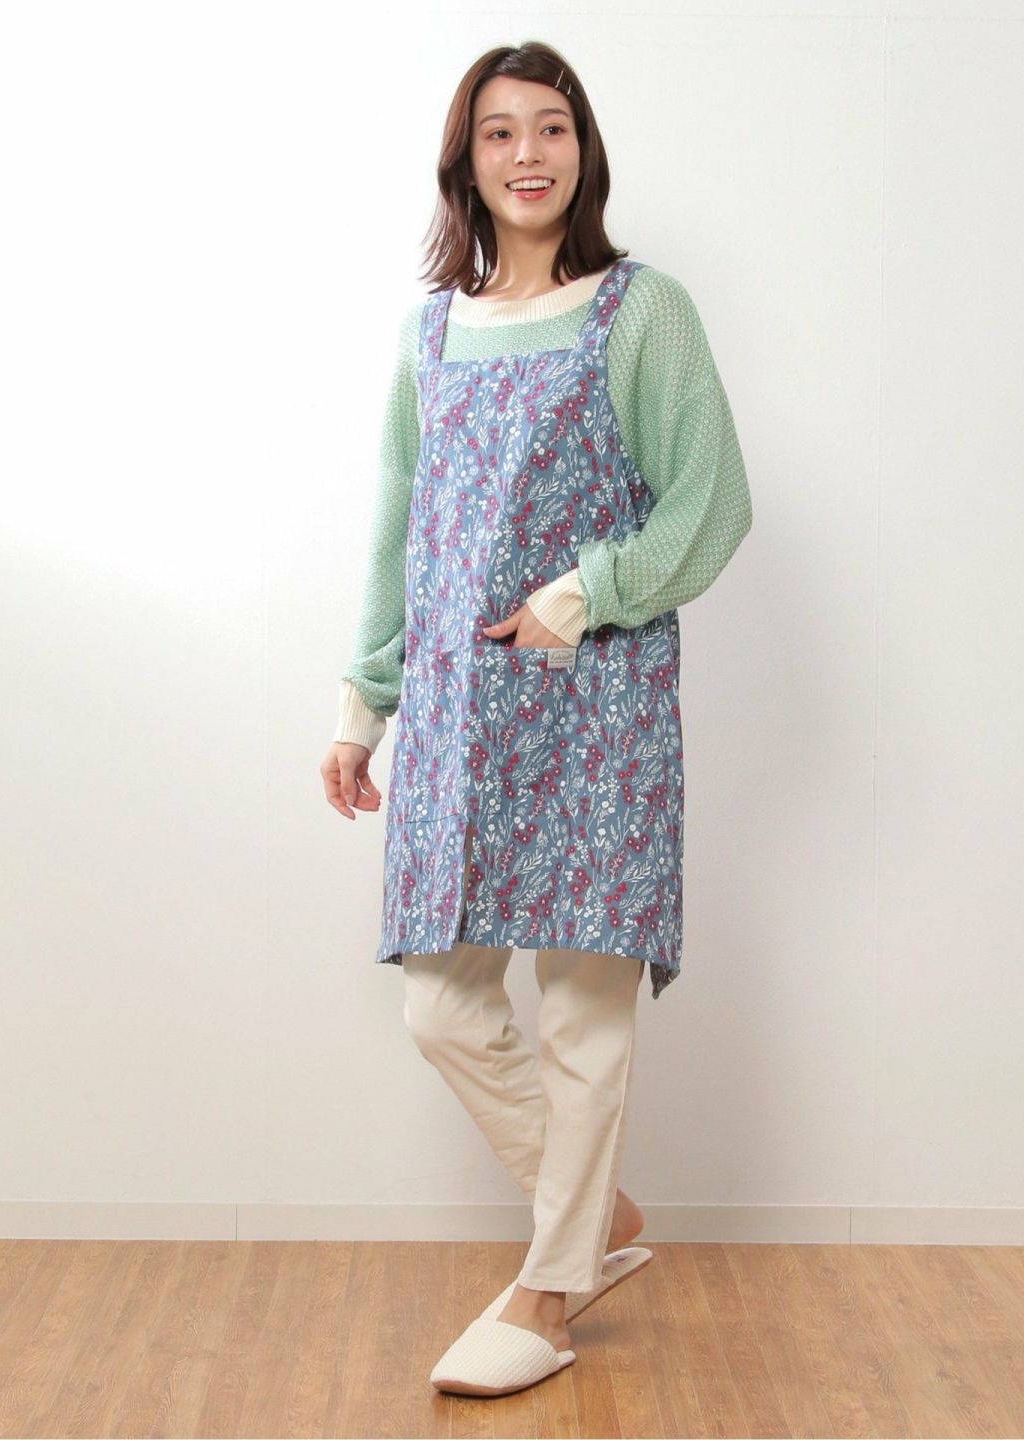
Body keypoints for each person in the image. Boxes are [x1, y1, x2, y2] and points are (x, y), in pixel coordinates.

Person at [320, 40, 753, 1397]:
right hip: (461, 716)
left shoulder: (643, 311)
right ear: (467, 159)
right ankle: (597, 1217)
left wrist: (584, 593)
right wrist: (364, 705)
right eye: (501, 131)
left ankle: (551, 1289)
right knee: (443, 1006)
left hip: (598, 704)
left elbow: (710, 502)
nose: (528, 153)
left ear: (583, 149)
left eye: (552, 127)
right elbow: (400, 533)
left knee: (583, 1015)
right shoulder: (430, 333)